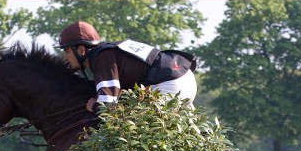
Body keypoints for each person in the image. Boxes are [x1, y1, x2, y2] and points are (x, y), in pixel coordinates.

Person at [57, 21, 198, 114]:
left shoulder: (102, 58)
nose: (65, 57)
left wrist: (93, 106)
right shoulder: (108, 51)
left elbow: (108, 106)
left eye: (67, 51)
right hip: (185, 78)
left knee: (127, 128)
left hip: (169, 84)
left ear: (81, 50)